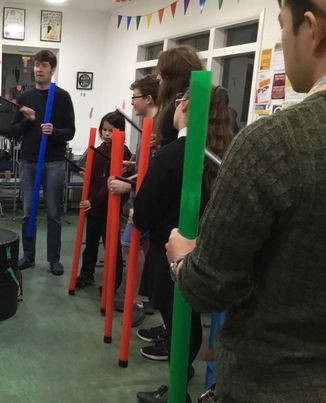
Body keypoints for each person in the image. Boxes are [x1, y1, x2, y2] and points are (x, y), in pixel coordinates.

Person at [166, 1, 326, 401]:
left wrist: (182, 259)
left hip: (273, 382)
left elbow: (210, 288)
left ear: (311, 28)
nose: (282, 41)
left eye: (282, 26)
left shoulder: (275, 143)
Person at [132, 86, 234, 403]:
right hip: (210, 253)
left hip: (172, 254)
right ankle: (182, 378)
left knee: (180, 324)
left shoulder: (173, 154)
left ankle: (178, 392)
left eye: (178, 101)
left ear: (186, 106)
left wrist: (136, 212)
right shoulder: (225, 152)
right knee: (189, 323)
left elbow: (144, 212)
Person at [110, 45, 205, 362]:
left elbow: (170, 170)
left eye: (162, 75)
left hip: (177, 217)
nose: (158, 80)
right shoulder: (172, 119)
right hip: (167, 213)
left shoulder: (185, 127)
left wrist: (139, 201)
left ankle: (178, 351)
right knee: (166, 287)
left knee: (175, 289)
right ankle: (169, 332)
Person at [12, 50, 75, 275]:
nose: (39, 69)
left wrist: (54, 131)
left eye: (44, 65)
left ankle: (54, 259)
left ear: (52, 69)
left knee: (53, 213)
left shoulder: (62, 97)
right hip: (29, 161)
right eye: (37, 65)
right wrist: (28, 121)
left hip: (54, 162)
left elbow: (70, 131)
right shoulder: (25, 97)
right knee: (27, 213)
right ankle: (28, 256)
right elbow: (14, 130)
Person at [116, 74, 160, 322]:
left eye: (135, 97)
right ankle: (140, 294)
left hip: (146, 201)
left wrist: (129, 185)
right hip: (141, 196)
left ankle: (136, 299)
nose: (132, 102)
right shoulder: (149, 128)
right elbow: (145, 165)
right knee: (140, 246)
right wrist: (131, 166)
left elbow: (154, 171)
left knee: (128, 245)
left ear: (148, 98)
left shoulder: (158, 130)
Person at [75, 111, 131, 289]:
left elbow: (113, 185)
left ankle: (112, 283)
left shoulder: (124, 154)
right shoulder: (99, 150)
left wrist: (93, 201)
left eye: (111, 130)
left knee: (112, 247)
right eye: (104, 130)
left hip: (109, 209)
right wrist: (87, 175)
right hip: (94, 209)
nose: (106, 133)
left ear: (120, 131)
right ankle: (86, 274)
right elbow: (95, 177)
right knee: (90, 244)